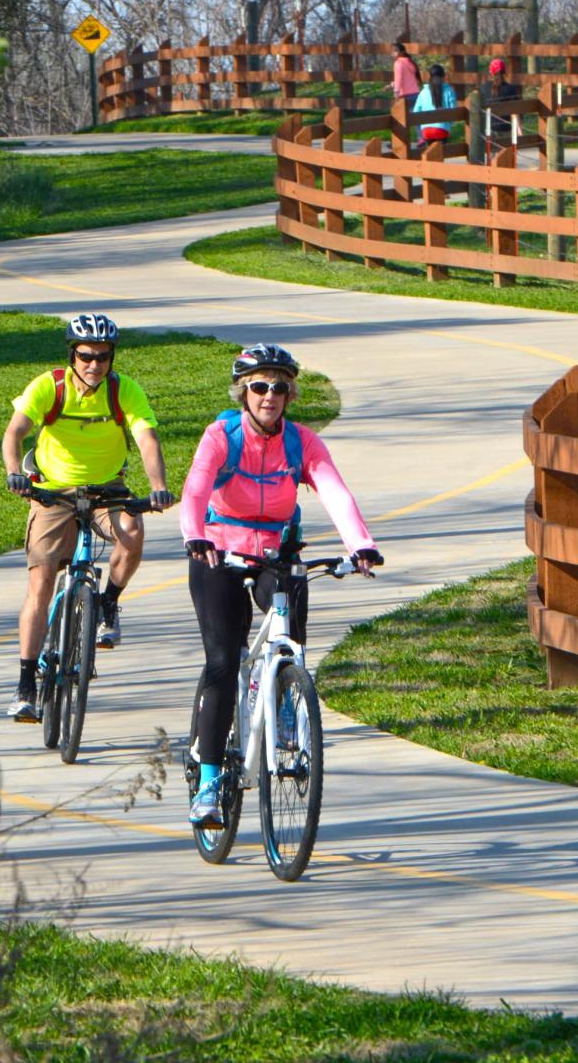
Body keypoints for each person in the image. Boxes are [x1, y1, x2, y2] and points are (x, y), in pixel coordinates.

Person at [179, 343, 383, 827]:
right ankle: (209, 782)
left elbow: (333, 489)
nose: (270, 395)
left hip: (275, 550)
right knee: (224, 663)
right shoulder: (220, 435)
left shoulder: (302, 442)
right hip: (218, 552)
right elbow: (195, 489)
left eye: (279, 387)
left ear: (290, 394)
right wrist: (195, 537)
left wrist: (360, 544)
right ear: (243, 393)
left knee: (290, 625)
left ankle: (286, 705)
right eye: (259, 386)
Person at [2, 313, 175, 722]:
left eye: (103, 356)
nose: (94, 364)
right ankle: (26, 684)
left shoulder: (123, 391)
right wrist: (14, 472)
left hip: (106, 489)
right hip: (52, 492)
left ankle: (109, 603)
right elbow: (15, 432)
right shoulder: (50, 386)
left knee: (132, 530)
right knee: (41, 584)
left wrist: (158, 485)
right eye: (85, 356)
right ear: (72, 355)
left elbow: (146, 438)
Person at [412, 63, 458, 151]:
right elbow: (453, 112)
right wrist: (449, 124)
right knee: (441, 154)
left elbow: (416, 111)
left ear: (430, 76)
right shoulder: (449, 91)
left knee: (430, 154)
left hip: (426, 131)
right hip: (442, 129)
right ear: (444, 76)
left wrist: (423, 124)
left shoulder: (423, 92)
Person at [483, 56, 520, 141]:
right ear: (504, 72)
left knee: (490, 154)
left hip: (487, 130)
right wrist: (519, 130)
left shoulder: (483, 88)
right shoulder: (510, 89)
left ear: (490, 72)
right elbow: (515, 112)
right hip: (505, 130)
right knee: (505, 153)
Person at [391, 41, 421, 110]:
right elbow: (407, 79)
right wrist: (392, 85)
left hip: (405, 95)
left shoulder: (398, 63)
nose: (393, 53)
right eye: (392, 51)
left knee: (404, 118)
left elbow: (399, 79)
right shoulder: (410, 62)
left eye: (395, 51)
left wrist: (396, 93)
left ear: (402, 52)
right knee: (415, 116)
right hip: (415, 93)